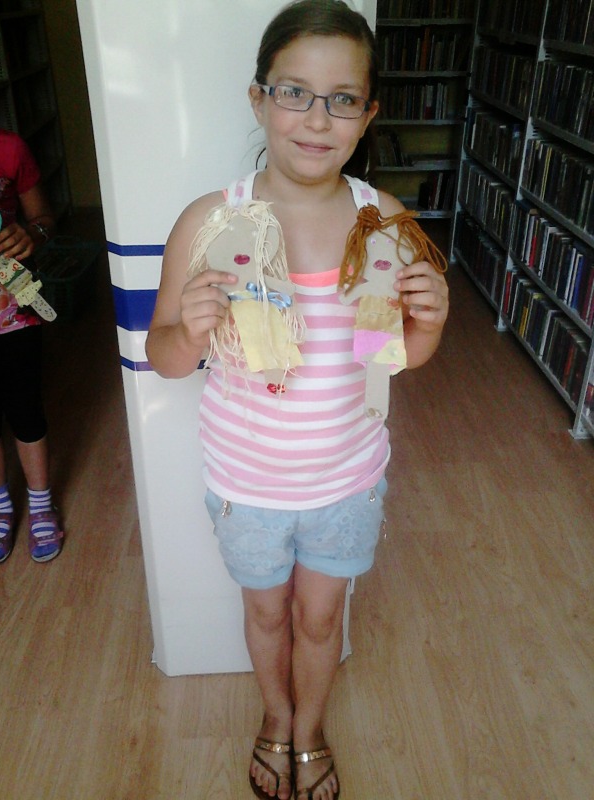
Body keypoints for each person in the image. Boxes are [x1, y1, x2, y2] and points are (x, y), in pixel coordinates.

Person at [146, 1, 449, 798]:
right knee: (267, 614)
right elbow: (164, 357)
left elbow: (394, 357)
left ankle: (309, 730)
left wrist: (431, 321)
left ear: (367, 114)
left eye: (342, 98)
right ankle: (276, 716)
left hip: (347, 478)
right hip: (246, 484)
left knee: (321, 618)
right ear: (259, 99)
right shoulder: (210, 220)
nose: (317, 119)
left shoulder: (381, 222)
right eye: (294, 93)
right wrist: (191, 329)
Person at [0, 126, 63, 564]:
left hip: (14, 297)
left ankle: (40, 504)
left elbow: (44, 219)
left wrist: (32, 234)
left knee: (24, 405)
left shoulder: (9, 148)